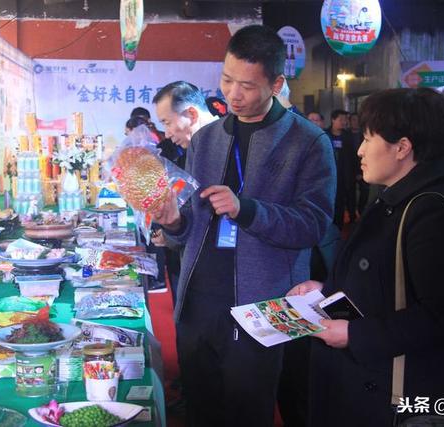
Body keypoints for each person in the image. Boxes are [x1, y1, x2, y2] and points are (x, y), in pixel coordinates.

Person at [150, 25, 336, 426]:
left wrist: (247, 210)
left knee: (248, 411)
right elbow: (192, 225)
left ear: (276, 84)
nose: (233, 94)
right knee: (201, 409)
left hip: (262, 304)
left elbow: (313, 223)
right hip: (198, 300)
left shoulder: (307, 142)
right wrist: (173, 221)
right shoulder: (206, 139)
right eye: (227, 80)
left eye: (247, 86)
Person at [287, 88, 444, 427]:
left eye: (368, 139)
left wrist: (354, 335)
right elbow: (382, 281)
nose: (360, 150)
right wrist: (325, 289)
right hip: (371, 380)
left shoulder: (431, 212)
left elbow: (442, 316)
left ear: (402, 148)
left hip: (397, 393)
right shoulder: (394, 199)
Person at [151, 80, 218, 304]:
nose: (167, 133)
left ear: (191, 114)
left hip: (218, 275)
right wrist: (172, 229)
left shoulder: (228, 145)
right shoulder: (194, 148)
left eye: (168, 123)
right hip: (194, 269)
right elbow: (191, 211)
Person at [326, 109, 358, 227]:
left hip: (347, 173)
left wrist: (357, 171)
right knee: (334, 200)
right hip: (331, 175)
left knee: (349, 197)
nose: (344, 122)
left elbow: (354, 155)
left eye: (345, 120)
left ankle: (351, 220)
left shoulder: (348, 136)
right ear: (333, 120)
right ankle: (334, 223)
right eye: (341, 119)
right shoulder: (325, 135)